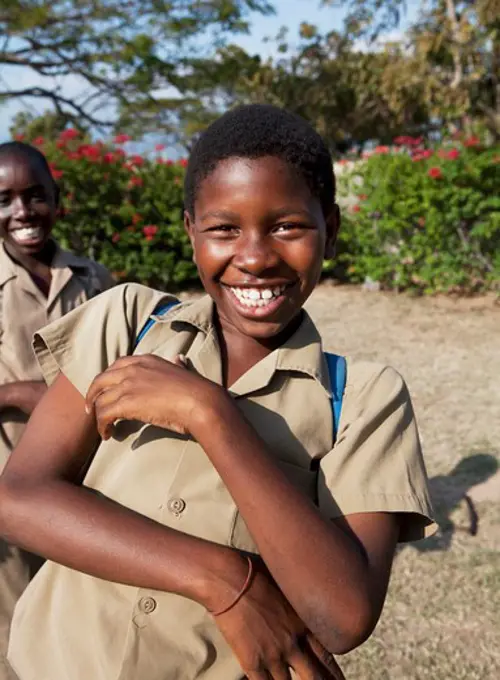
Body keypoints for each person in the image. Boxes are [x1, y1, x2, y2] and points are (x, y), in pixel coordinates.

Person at [0, 106, 435, 680]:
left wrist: (209, 413)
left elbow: (343, 615)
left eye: (287, 226)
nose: (254, 257)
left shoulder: (362, 398)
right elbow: (18, 496)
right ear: (190, 231)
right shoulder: (127, 320)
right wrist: (226, 579)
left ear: (330, 227)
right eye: (224, 229)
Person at [0, 141, 114, 679]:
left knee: (75, 610)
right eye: (4, 199)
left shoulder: (93, 280)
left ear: (57, 200)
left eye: (35, 196)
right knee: (13, 622)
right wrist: (20, 394)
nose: (22, 212)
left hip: (83, 479)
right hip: (8, 482)